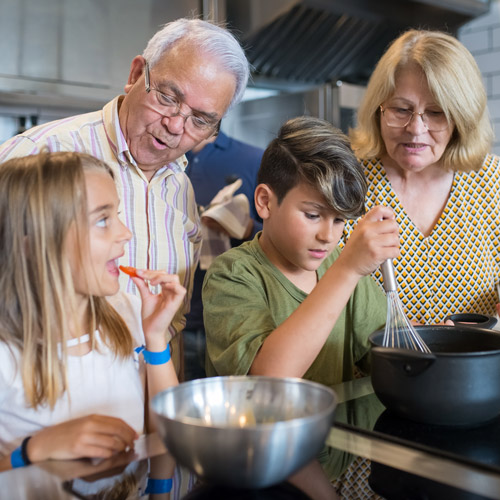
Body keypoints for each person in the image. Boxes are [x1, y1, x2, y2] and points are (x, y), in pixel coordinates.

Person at [0, 18, 250, 374]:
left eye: (200, 120)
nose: (176, 126)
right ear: (136, 74)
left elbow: (171, 327)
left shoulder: (180, 187)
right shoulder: (41, 153)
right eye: (168, 97)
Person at [202, 116, 400, 484]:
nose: (328, 236)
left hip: (325, 474)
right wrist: (346, 270)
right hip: (252, 479)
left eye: (340, 220)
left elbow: (388, 353)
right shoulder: (234, 275)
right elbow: (267, 382)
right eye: (312, 215)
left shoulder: (343, 277)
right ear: (265, 201)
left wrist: (433, 347)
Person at [0, 152, 185, 481]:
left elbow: (163, 437)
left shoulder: (127, 312)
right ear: (32, 246)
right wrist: (32, 450)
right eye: (103, 220)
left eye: (117, 215)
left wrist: (156, 339)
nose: (125, 233)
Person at [346, 29, 500, 324]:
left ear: (462, 118)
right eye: (401, 109)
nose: (416, 129)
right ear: (378, 110)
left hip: (469, 367)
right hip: (373, 369)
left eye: (437, 113)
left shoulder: (493, 183)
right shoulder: (345, 182)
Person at [183, 124, 264, 380]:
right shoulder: (160, 156)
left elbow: (281, 234)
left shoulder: (253, 159)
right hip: (166, 322)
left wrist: (247, 227)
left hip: (232, 322)